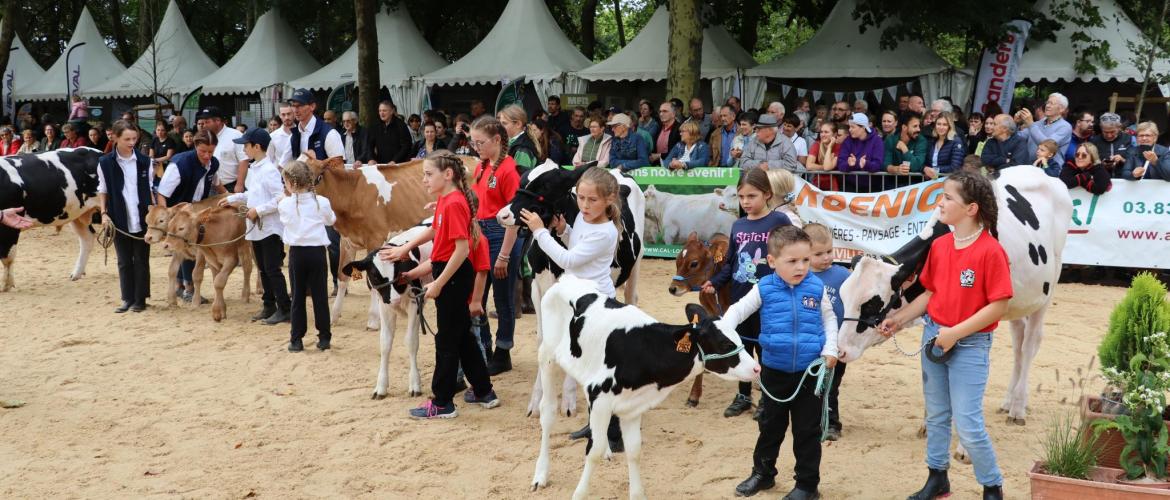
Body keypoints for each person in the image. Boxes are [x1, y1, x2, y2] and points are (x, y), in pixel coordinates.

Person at [878, 170, 1008, 500]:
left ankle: (992, 486)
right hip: (934, 336)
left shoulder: (991, 251)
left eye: (948, 197)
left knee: (968, 422)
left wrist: (954, 334)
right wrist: (900, 318)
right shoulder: (939, 245)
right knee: (936, 415)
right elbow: (931, 293)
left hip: (970, 344)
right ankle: (938, 478)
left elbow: (998, 306)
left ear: (971, 208)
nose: (941, 202)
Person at [380, 151, 499, 419]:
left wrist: (438, 282)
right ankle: (483, 390)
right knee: (463, 336)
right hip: (449, 273)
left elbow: (461, 250)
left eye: (428, 174)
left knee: (446, 340)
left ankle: (442, 402)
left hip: (453, 275)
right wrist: (405, 248)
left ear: (448, 175)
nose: (423, 180)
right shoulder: (447, 200)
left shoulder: (455, 202)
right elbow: (434, 230)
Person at [723, 225, 837, 499]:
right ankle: (763, 474)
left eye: (806, 260)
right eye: (793, 261)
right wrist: (726, 333)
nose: (801, 267)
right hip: (774, 371)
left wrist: (831, 347)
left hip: (810, 373)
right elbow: (737, 311)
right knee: (770, 426)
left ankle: (807, 485)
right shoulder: (763, 288)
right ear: (772, 262)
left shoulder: (816, 286)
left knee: (807, 431)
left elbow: (829, 318)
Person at [520, 166, 626, 450]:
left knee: (601, 374)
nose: (585, 205)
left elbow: (569, 260)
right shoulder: (582, 218)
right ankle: (596, 425)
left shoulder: (605, 231)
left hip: (597, 306)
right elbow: (576, 246)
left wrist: (540, 233)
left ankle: (613, 435)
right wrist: (563, 229)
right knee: (588, 372)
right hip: (581, 302)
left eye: (592, 200)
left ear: (609, 200)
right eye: (581, 198)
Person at [702, 168, 792, 418]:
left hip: (769, 298)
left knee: (765, 349)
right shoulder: (738, 225)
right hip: (740, 298)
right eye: (741, 197)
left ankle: (767, 397)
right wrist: (716, 283)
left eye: (751, 196)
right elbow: (730, 262)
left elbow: (790, 253)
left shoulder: (779, 221)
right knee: (740, 346)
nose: (746, 202)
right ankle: (743, 395)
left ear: (767, 194)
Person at [467, 116, 525, 375]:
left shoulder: (508, 170)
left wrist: (504, 255)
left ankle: (503, 352)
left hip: (501, 233)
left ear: (497, 140)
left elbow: (514, 216)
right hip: (481, 231)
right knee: (477, 294)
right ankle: (485, 347)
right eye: (473, 142)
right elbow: (478, 202)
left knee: (502, 298)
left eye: (480, 142)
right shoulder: (482, 166)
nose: (475, 147)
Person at [220, 127, 290, 325]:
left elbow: (280, 197)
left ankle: (284, 308)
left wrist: (258, 211)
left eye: (246, 146)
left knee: (272, 269)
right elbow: (253, 193)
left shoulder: (269, 170)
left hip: (269, 228)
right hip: (257, 228)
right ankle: (269, 305)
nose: (244, 149)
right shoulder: (255, 168)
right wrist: (232, 198)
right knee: (263, 268)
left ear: (257, 147)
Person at [287, 88, 346, 296]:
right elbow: (289, 163)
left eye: (300, 105)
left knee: (334, 242)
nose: (296, 110)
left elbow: (339, 167)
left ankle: (340, 282)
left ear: (312, 106)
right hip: (304, 196)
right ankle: (312, 285)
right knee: (309, 241)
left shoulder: (328, 132)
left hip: (328, 195)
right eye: (293, 106)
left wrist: (317, 164)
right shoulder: (295, 133)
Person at [155, 130, 225, 300]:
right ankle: (188, 288)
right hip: (177, 211)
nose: (207, 155)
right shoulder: (180, 164)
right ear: (195, 146)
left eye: (211, 151)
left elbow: (217, 184)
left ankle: (181, 286)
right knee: (185, 248)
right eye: (203, 151)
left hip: (195, 211)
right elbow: (162, 194)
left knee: (188, 248)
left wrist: (230, 198)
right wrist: (169, 217)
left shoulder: (213, 163)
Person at [278, 160, 336, 352]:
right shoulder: (322, 202)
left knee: (298, 297)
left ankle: (296, 339)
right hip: (318, 252)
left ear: (291, 183)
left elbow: (285, 221)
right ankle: (325, 337)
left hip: (297, 253)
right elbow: (331, 220)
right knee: (320, 296)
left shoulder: (285, 204)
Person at [97, 120, 153, 313]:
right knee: (123, 260)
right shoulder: (105, 163)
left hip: (142, 216)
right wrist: (104, 213)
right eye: (127, 139)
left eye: (134, 139)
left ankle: (140, 299)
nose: (132, 143)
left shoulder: (145, 161)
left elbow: (151, 188)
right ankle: (127, 298)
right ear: (115, 137)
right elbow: (103, 190)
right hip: (118, 216)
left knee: (141, 259)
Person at [803, 223, 849, 441]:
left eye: (829, 251)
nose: (826, 258)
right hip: (808, 342)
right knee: (810, 385)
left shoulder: (842, 275)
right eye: (818, 254)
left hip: (835, 343)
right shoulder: (800, 277)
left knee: (831, 385)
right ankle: (811, 421)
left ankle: (832, 423)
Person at [196, 106, 248, 193]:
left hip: (231, 186)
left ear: (218, 121)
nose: (204, 125)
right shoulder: (204, 137)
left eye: (207, 122)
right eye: (203, 122)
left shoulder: (235, 135)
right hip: (208, 187)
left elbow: (243, 160)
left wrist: (239, 184)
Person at [1015, 92, 1072, 164]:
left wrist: (1031, 124)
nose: (1047, 106)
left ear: (1061, 109)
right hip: (1031, 167)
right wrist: (1015, 124)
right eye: (1047, 103)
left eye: (1051, 103)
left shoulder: (1065, 127)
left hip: (1050, 169)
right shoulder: (1038, 123)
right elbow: (1018, 138)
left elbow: (1048, 145)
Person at [836, 113, 884, 191]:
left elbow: (878, 164)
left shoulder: (877, 141)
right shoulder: (848, 141)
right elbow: (840, 164)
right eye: (849, 127)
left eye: (853, 127)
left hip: (872, 188)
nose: (849, 129)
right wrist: (849, 165)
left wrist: (866, 164)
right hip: (850, 186)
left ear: (863, 127)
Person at [363, 100, 414, 165]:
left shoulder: (401, 125)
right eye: (380, 111)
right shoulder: (375, 126)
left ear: (392, 111)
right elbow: (369, 145)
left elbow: (406, 146)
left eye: (384, 110)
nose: (381, 113)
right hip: (381, 164)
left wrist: (395, 160)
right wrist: (371, 158)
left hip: (398, 165)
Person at [924, 111, 966, 180]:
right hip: (931, 182)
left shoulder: (956, 141)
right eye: (939, 124)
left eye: (945, 125)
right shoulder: (932, 140)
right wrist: (925, 169)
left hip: (948, 181)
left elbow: (955, 167)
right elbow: (926, 161)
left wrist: (935, 170)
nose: (941, 127)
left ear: (950, 126)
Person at [884, 113, 927, 178]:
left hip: (914, 184)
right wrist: (896, 169)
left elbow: (916, 166)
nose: (919, 129)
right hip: (893, 184)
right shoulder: (890, 140)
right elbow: (885, 164)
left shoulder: (921, 140)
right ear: (904, 127)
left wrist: (904, 149)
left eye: (919, 126)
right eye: (915, 126)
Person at [1089, 112, 1131, 178]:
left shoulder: (1128, 139)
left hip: (1124, 181)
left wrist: (1122, 160)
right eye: (1105, 132)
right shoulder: (1094, 141)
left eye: (1112, 132)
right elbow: (1088, 164)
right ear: (1101, 128)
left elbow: (1136, 162)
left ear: (1119, 127)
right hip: (1102, 180)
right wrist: (1100, 165)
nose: (1109, 135)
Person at [498, 104, 538, 173]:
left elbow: (520, 179)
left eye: (504, 123)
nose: (500, 127)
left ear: (518, 124)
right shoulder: (511, 142)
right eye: (500, 123)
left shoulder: (522, 149)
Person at [805, 122, 841, 191]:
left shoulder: (838, 147)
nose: (823, 135)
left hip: (833, 186)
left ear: (835, 134)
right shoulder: (816, 145)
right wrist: (824, 167)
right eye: (821, 132)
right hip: (818, 185)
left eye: (826, 132)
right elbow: (809, 165)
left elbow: (827, 167)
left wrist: (830, 147)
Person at [651, 101, 681, 166]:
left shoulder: (680, 129)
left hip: (673, 167)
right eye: (660, 111)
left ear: (673, 114)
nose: (661, 114)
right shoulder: (659, 127)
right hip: (658, 166)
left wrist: (659, 155)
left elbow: (679, 151)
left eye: (665, 111)